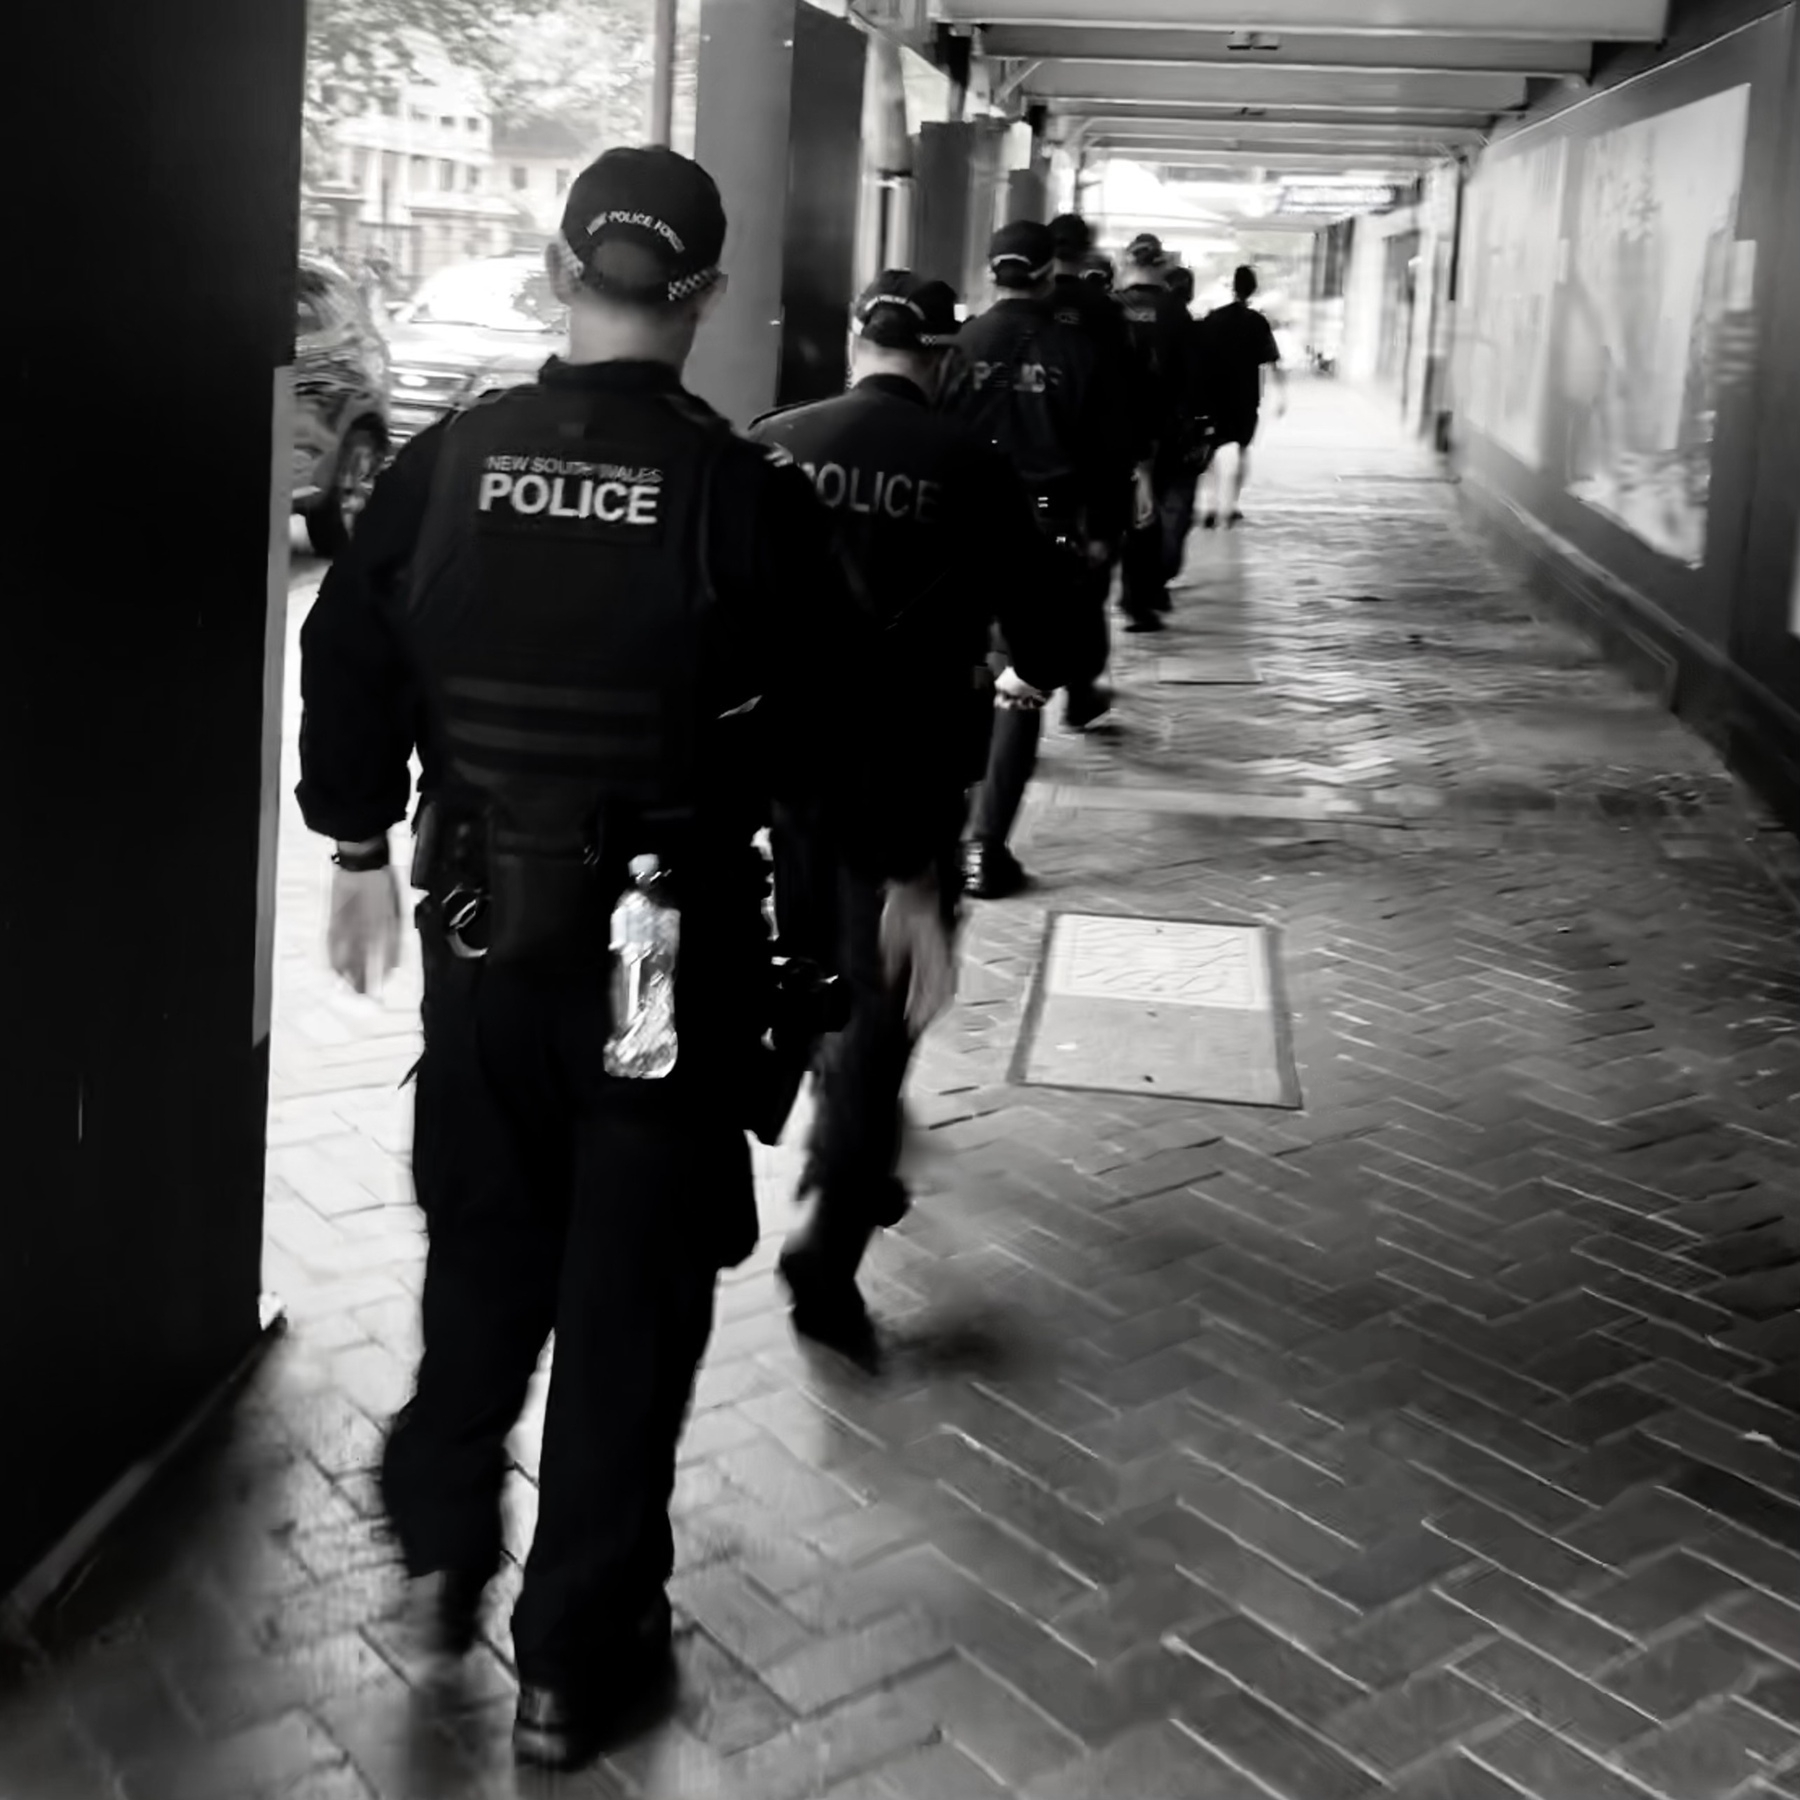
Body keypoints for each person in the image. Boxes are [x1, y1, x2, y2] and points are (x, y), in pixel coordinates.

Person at [296, 146, 953, 1771]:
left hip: (481, 948)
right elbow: (848, 725)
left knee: (483, 1251)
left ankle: (446, 1538)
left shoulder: (444, 471)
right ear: (708, 298)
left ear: (553, 272)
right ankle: (574, 1663)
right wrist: (907, 880)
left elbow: (349, 659)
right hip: (662, 968)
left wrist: (361, 849)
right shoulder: (745, 502)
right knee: (626, 1305)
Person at [746, 273, 1065, 1367]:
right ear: (940, 355)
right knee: (887, 1000)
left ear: (857, 341)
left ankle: (840, 1130)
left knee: (804, 968)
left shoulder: (774, 442)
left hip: (781, 782)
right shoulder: (974, 469)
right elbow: (1050, 644)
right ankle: (825, 1243)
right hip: (911, 791)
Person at [939, 219, 1115, 901]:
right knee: (1022, 681)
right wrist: (1101, 535)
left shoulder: (956, 347)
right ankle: (984, 848)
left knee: (964, 668)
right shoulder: (1080, 349)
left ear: (991, 272)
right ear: (1049, 275)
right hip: (1047, 529)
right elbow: (1106, 454)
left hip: (958, 526)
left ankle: (943, 825)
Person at [1045, 212, 1152, 734]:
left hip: (1020, 480)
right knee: (1088, 590)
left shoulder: (1020, 311)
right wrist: (1134, 474)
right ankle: (1081, 690)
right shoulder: (1107, 315)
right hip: (1089, 484)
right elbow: (1125, 404)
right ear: (1087, 252)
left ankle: (1017, 688)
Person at [1115, 234, 1196, 630]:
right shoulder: (1176, 312)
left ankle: (1135, 595)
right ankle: (1148, 589)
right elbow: (1190, 378)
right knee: (1163, 511)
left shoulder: (1110, 309)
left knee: (1131, 517)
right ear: (1161, 266)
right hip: (1165, 431)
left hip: (1117, 432)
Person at [1196, 263, 1288, 528]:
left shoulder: (1214, 318)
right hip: (1245, 398)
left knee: (1212, 449)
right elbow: (1272, 361)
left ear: (1232, 286)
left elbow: (1199, 356)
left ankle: (1211, 505)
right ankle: (1232, 504)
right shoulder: (1257, 322)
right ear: (1253, 288)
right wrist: (1281, 394)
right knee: (1242, 449)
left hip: (1214, 396)